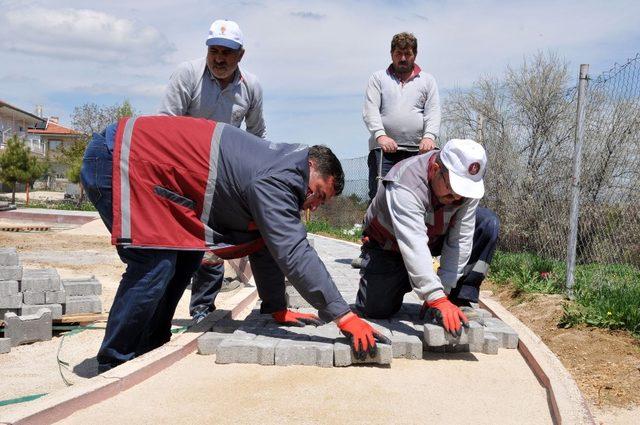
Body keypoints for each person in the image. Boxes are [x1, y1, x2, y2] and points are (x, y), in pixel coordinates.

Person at [80, 115, 389, 372]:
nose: (313, 205)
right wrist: (343, 314)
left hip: (145, 167)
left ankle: (150, 344)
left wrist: (276, 307)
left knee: (185, 256)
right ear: (310, 165)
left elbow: (266, 244)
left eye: (321, 202)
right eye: (318, 193)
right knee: (154, 263)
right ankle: (115, 362)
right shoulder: (280, 176)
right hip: (119, 158)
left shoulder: (280, 165)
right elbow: (293, 251)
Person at [158, 19, 266, 322]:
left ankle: (202, 309)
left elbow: (256, 134)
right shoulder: (187, 74)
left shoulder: (251, 87)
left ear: (240, 55)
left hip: (220, 174)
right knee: (171, 241)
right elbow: (165, 124)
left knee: (212, 245)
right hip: (180, 169)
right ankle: (159, 311)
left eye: (227, 53)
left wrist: (253, 177)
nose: (219, 58)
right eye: (214, 51)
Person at [355, 139, 500, 336]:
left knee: (486, 223)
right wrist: (434, 295)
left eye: (462, 193)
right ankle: (399, 276)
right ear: (435, 169)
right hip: (390, 246)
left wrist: (445, 292)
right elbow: (413, 243)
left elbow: (461, 238)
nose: (457, 198)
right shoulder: (405, 183)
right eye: (452, 189)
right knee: (376, 309)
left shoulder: (467, 188)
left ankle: (459, 298)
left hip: (433, 238)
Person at [362, 31, 441, 201]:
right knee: (379, 197)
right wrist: (381, 135)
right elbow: (371, 110)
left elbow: (433, 111)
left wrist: (429, 137)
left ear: (415, 55)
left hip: (418, 151)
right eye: (399, 54)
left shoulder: (427, 81)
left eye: (408, 54)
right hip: (383, 152)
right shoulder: (378, 78)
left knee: (419, 197)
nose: (403, 58)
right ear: (392, 54)